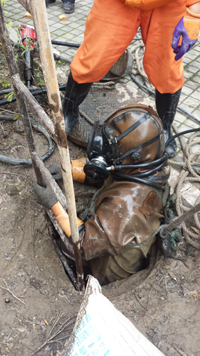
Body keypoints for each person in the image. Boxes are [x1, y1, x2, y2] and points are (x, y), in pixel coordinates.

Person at [33, 104, 170, 285]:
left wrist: (54, 205)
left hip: (106, 269)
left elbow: (81, 244)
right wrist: (71, 169)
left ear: (134, 156)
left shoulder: (128, 206)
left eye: (113, 146)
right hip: (113, 233)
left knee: (66, 247)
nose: (103, 148)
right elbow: (109, 173)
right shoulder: (146, 167)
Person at [62, 0, 200, 158]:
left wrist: (194, 14)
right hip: (118, 3)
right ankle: (68, 111)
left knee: (166, 69)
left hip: (168, 5)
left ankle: (164, 127)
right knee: (93, 59)